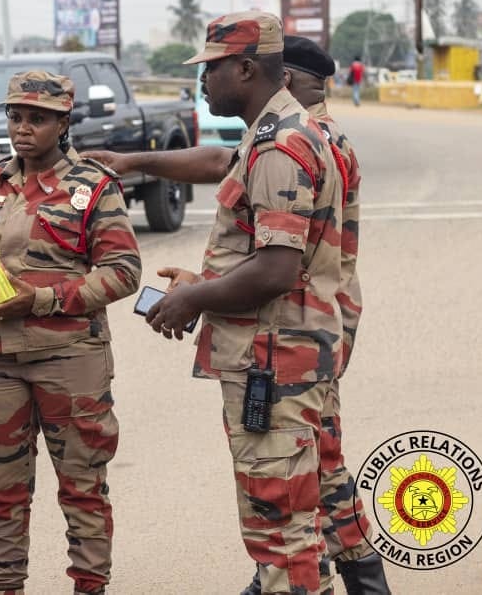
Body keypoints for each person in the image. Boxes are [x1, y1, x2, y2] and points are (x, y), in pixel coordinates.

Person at [82, 31, 391, 594]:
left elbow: (276, 270)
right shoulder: (280, 136)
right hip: (292, 346)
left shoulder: (283, 145)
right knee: (302, 500)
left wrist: (193, 297)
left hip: (276, 355)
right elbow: (237, 191)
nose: (203, 79)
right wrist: (134, 164)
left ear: (249, 70)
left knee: (281, 524)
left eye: (213, 68)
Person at [0, 71, 141, 595]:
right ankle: (5, 587)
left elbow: (124, 271)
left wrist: (40, 298)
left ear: (63, 123)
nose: (23, 127)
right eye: (16, 116)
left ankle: (89, 586)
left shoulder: (93, 186)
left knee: (82, 485)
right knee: (1, 489)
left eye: (37, 118)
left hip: (68, 357)